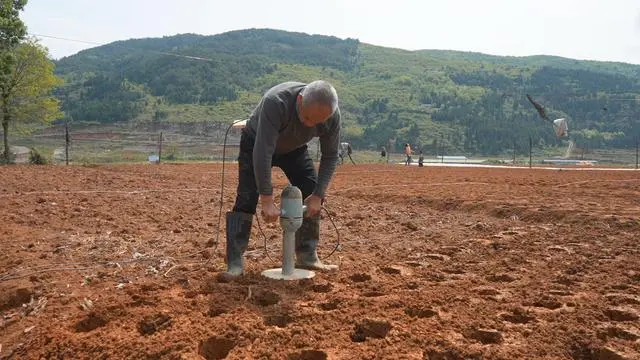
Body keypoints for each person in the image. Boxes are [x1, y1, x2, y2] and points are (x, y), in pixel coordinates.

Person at [224, 80, 341, 277]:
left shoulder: (331, 116)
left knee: (310, 187)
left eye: (317, 122)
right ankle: (234, 261)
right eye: (306, 118)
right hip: (256, 143)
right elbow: (263, 151)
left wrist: (318, 195)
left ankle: (307, 255)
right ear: (301, 99)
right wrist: (267, 199)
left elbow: (330, 156)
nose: (310, 124)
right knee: (246, 198)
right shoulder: (276, 102)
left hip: (294, 148)